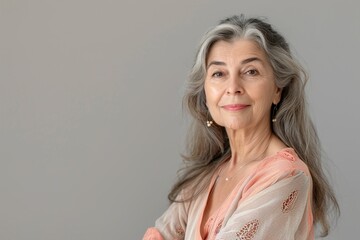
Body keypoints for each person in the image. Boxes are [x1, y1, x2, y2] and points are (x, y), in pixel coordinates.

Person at [143, 15, 339, 240]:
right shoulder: (205, 177)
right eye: (219, 73)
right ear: (205, 93)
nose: (233, 87)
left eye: (251, 72)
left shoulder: (286, 176)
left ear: (277, 89)